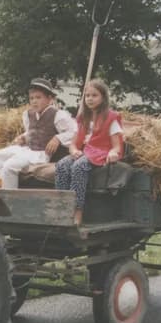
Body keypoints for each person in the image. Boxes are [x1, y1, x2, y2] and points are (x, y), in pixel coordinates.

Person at [0, 77, 77, 188]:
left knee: (9, 167)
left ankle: (9, 200)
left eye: (38, 97)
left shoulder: (58, 115)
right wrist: (24, 137)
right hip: (27, 149)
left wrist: (58, 138)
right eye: (31, 98)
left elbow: (74, 132)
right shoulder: (28, 114)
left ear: (49, 99)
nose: (34, 101)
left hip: (41, 154)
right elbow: (33, 131)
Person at [55, 78, 123, 225]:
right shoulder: (83, 118)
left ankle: (77, 211)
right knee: (61, 165)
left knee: (78, 167)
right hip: (85, 151)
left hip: (100, 152)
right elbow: (74, 143)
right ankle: (62, 207)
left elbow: (117, 146)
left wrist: (113, 152)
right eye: (87, 95)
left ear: (103, 97)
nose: (90, 99)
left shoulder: (111, 118)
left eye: (94, 95)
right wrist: (73, 150)